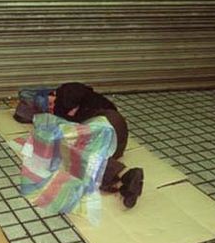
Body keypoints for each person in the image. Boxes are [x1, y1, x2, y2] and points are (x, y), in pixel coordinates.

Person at [16, 82, 144, 208]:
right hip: (111, 144)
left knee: (69, 149)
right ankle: (124, 182)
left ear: (52, 93)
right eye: (48, 108)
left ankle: (124, 175)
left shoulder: (67, 90)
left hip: (108, 122)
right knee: (77, 159)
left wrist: (62, 106)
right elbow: (22, 116)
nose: (51, 107)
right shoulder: (62, 115)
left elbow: (76, 95)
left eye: (50, 102)